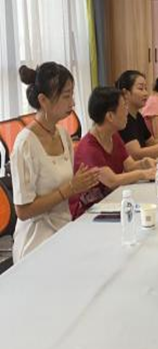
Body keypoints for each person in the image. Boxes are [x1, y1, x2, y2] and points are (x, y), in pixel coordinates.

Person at [11, 63, 99, 262]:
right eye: (66, 96)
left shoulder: (63, 134)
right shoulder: (25, 144)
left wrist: (82, 184)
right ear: (43, 100)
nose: (73, 102)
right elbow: (23, 211)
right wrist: (70, 188)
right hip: (36, 241)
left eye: (72, 95)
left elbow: (68, 188)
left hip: (64, 229)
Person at [69, 87, 156, 218]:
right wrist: (143, 173)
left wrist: (145, 163)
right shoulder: (89, 148)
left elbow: (129, 166)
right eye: (124, 107)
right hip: (87, 213)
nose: (127, 111)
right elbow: (112, 180)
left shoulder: (113, 136)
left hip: (110, 202)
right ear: (110, 116)